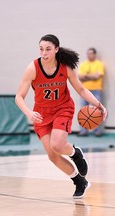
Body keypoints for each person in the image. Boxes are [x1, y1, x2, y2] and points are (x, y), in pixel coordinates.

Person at [15, 34, 107, 199]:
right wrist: (29, 113)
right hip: (41, 114)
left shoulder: (65, 67)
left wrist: (98, 104)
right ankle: (80, 181)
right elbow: (18, 96)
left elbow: (81, 89)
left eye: (48, 49)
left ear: (56, 49)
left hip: (62, 109)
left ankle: (74, 153)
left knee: (57, 145)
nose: (44, 53)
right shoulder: (33, 68)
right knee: (52, 155)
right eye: (41, 49)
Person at [78, 48, 105, 136]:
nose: (89, 55)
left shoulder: (99, 64)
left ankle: (97, 131)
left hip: (96, 90)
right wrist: (92, 76)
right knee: (83, 111)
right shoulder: (83, 64)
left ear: (94, 54)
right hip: (84, 91)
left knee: (97, 111)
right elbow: (80, 77)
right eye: (88, 54)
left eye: (91, 54)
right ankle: (83, 131)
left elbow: (98, 76)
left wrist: (86, 76)